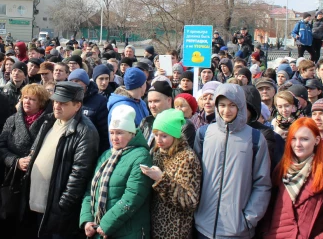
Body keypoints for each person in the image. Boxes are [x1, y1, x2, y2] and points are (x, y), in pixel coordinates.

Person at [22, 82, 99, 238]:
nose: (57, 106)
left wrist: (61, 206)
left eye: (63, 103)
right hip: (36, 203)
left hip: (56, 212)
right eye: (56, 101)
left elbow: (79, 175)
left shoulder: (85, 132)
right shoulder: (49, 121)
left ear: (77, 106)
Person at [194, 83, 271, 239]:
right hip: (203, 226)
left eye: (232, 105)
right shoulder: (204, 134)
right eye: (222, 105)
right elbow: (195, 177)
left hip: (237, 229)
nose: (226, 110)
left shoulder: (255, 138)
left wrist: (249, 219)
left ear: (241, 106)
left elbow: (262, 183)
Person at [258, 118, 323, 238]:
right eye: (293, 139)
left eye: (304, 139)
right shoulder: (280, 170)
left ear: (316, 140)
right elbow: (268, 210)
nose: (298, 144)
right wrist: (266, 234)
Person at [80, 105, 152, 239]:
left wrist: (106, 224)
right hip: (100, 230)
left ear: (131, 133)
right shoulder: (106, 155)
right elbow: (90, 191)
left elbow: (132, 197)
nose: (114, 138)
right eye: (112, 132)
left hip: (129, 231)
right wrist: (87, 220)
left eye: (119, 133)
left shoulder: (141, 156)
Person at [143, 109, 201, 239]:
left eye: (164, 136)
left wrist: (161, 179)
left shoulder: (187, 158)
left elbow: (189, 202)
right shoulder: (159, 152)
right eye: (156, 134)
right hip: (156, 224)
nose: (159, 140)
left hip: (175, 229)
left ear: (175, 136)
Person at [68, 69, 109, 152]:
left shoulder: (100, 101)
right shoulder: (67, 100)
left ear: (85, 84)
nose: (74, 84)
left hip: (90, 148)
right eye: (71, 81)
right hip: (70, 146)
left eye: (77, 81)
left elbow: (104, 132)